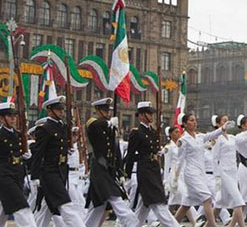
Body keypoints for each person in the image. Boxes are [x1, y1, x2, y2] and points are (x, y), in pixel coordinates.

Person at [30, 96, 87, 227]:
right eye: (58, 109)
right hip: (49, 173)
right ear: (50, 111)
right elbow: (39, 154)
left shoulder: (62, 127)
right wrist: (35, 176)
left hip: (61, 172)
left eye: (62, 109)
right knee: (66, 206)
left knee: (46, 210)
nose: (61, 112)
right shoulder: (44, 129)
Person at [83, 98, 139, 227]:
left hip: (109, 170)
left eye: (108, 110)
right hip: (99, 169)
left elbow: (116, 152)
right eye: (104, 110)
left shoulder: (111, 128)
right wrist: (107, 124)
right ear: (97, 111)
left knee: (98, 206)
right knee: (115, 198)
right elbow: (93, 126)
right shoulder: (95, 123)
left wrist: (120, 172)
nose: (107, 113)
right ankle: (132, 223)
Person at [124, 101, 180, 227]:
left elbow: (154, 150)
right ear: (142, 115)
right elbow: (131, 155)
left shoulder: (153, 131)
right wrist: (126, 175)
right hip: (145, 170)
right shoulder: (137, 132)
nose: (152, 115)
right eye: (149, 113)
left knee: (143, 205)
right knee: (157, 201)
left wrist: (158, 153)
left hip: (154, 169)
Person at [173, 113, 235, 227]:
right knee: (207, 198)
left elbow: (212, 134)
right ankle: (212, 225)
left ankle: (171, 225)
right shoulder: (184, 140)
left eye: (195, 120)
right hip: (191, 174)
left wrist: (223, 128)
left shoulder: (200, 137)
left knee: (186, 204)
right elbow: (179, 160)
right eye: (191, 120)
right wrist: (175, 179)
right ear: (185, 124)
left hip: (200, 174)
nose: (194, 122)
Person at [211, 114, 247, 227]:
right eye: (224, 121)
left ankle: (208, 224)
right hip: (224, 172)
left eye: (228, 121)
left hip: (233, 171)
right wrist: (217, 176)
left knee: (219, 204)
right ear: (218, 124)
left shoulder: (232, 137)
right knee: (238, 201)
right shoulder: (217, 139)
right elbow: (214, 158)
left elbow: (244, 139)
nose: (227, 123)